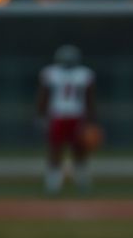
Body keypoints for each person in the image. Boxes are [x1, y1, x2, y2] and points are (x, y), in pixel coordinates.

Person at [36, 44, 97, 193]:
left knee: (78, 151)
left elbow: (43, 97)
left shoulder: (80, 74)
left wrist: (40, 115)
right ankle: (54, 185)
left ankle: (79, 184)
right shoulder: (56, 73)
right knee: (57, 150)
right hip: (60, 115)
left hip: (72, 116)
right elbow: (44, 96)